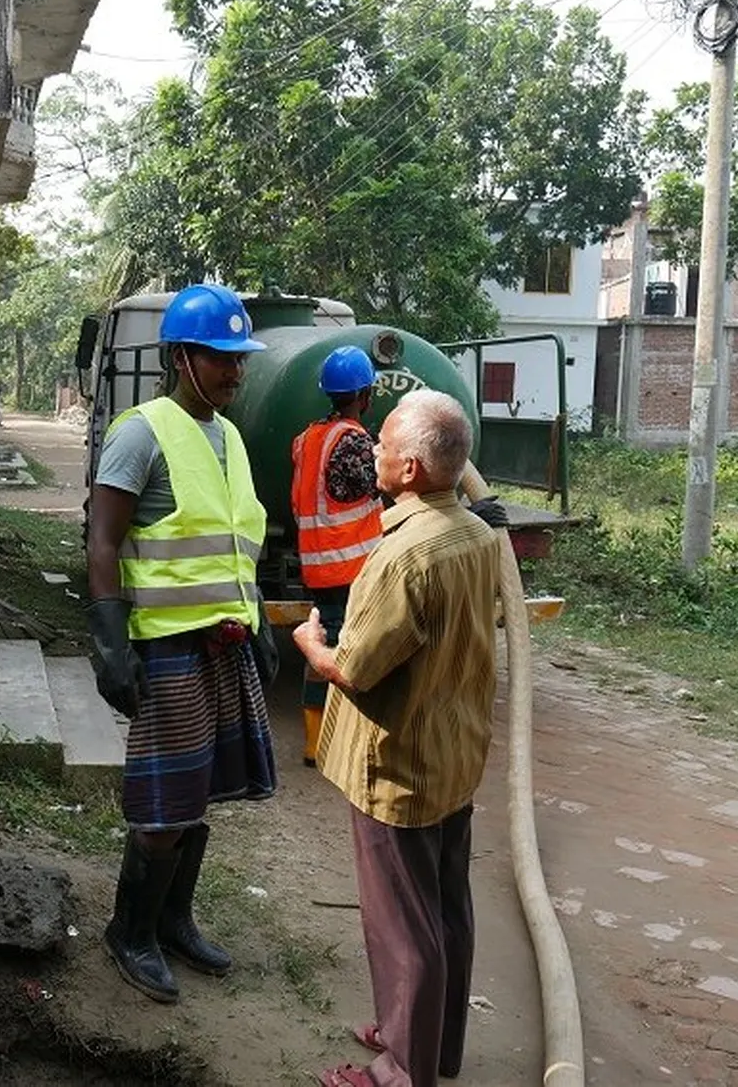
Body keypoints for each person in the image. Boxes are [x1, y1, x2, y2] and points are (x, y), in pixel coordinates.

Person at [293, 388, 502, 1086]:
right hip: (453, 753)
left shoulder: (404, 554)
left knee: (402, 924)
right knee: (445, 910)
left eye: (382, 443)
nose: (371, 450)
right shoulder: (475, 533)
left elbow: (353, 669)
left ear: (409, 468)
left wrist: (310, 645)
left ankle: (398, 1071)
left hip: (400, 765)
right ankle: (430, 1042)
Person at [86, 282, 281, 1005]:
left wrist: (256, 616)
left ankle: (173, 920)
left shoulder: (229, 436)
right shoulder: (141, 432)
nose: (235, 370)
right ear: (180, 356)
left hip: (224, 643)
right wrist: (110, 640)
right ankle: (128, 932)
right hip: (166, 645)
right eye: (220, 356)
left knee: (197, 795)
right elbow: (103, 542)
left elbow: (237, 542)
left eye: (241, 358)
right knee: (164, 805)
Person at [289, 345, 384, 767]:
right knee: (355, 654)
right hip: (353, 568)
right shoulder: (355, 443)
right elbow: (386, 486)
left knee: (322, 647)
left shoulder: (308, 439)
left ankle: (314, 742)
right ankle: (345, 742)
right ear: (365, 395)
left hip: (318, 566)